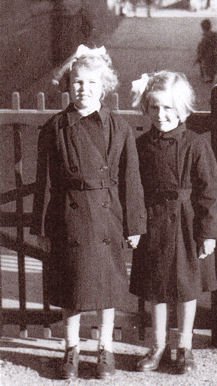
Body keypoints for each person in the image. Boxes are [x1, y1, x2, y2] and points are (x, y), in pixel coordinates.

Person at [30, 44, 146, 380]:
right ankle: (71, 349)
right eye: (78, 82)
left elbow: (131, 180)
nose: (84, 89)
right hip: (70, 216)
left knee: (106, 289)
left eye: (92, 83)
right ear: (68, 85)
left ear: (105, 87)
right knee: (73, 289)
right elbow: (46, 182)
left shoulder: (119, 128)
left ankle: (105, 349)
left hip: (108, 218)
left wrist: (135, 224)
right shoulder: (54, 128)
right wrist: (43, 226)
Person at [129, 70, 217, 374]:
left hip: (186, 225)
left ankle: (184, 346)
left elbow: (209, 193)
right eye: (154, 107)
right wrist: (134, 225)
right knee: (155, 287)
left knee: (186, 286)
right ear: (146, 107)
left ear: (182, 109)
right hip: (153, 222)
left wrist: (208, 233)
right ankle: (157, 345)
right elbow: (133, 187)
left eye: (168, 108)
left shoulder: (196, 145)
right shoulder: (140, 145)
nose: (161, 114)